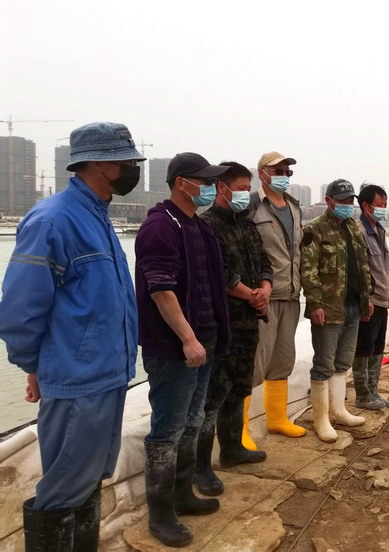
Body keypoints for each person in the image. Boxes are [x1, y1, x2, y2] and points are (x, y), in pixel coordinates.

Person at [0, 122, 142, 550]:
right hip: (77, 380)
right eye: (126, 161)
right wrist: (34, 366)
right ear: (98, 163)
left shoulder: (98, 216)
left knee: (90, 477)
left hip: (108, 374)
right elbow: (20, 309)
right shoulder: (53, 220)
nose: (132, 169)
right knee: (65, 485)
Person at [135, 152, 231, 547]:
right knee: (168, 428)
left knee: (193, 419)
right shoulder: (160, 226)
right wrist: (187, 338)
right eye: (204, 181)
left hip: (205, 340)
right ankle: (160, 513)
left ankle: (182, 494)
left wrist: (210, 336)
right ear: (181, 183)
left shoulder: (198, 225)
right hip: (173, 348)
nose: (210, 188)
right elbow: (161, 289)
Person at [193, 162, 270, 497]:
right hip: (223, 323)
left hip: (250, 321)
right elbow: (219, 274)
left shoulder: (247, 224)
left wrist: (265, 288)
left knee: (239, 387)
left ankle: (232, 447)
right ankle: (200, 466)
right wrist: (251, 295)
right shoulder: (207, 225)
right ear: (221, 188)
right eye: (240, 188)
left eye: (247, 188)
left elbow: (264, 262)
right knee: (213, 394)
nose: (245, 194)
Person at [300, 179, 373, 443]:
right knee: (324, 365)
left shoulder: (353, 227)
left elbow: (362, 265)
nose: (347, 205)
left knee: (343, 362)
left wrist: (366, 299)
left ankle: (338, 410)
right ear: (329, 201)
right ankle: (321, 419)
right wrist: (315, 303)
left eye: (350, 200)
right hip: (329, 308)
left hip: (353, 305)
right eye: (341, 201)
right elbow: (308, 270)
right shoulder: (315, 228)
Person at [245, 152, 306, 446]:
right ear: (262, 173)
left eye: (286, 171)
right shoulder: (252, 206)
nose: (283, 175)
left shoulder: (294, 207)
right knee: (255, 362)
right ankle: (239, 430)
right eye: (277, 170)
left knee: (283, 359)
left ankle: (277, 419)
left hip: (291, 295)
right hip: (262, 298)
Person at [352, 183, 389, 410]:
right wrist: (364, 298)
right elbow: (358, 269)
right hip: (368, 301)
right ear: (366, 205)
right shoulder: (358, 231)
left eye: (385, 204)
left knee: (378, 347)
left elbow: (383, 265)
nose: (383, 209)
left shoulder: (379, 230)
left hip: (381, 298)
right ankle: (362, 395)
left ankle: (373, 390)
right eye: (380, 204)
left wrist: (388, 291)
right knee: (364, 347)